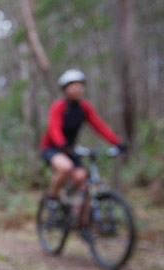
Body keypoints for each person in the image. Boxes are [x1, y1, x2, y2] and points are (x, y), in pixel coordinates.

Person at [40, 69, 125, 234]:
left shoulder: (85, 108)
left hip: (70, 150)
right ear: (65, 89)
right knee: (65, 168)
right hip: (52, 148)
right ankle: (52, 201)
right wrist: (62, 143)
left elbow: (99, 126)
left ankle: (79, 219)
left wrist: (117, 142)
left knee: (82, 178)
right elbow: (53, 128)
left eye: (79, 86)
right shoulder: (58, 106)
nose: (76, 89)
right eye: (72, 86)